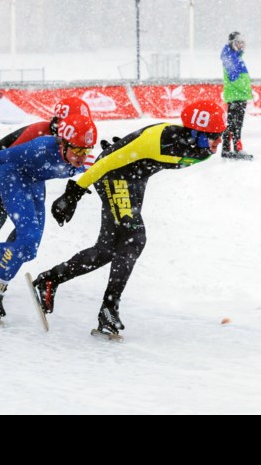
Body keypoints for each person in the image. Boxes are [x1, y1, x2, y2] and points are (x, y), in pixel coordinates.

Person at [32, 100, 225, 338]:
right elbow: (105, 163)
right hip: (114, 173)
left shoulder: (204, 151)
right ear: (195, 132)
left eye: (222, 135)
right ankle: (109, 309)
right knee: (134, 239)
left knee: (107, 250)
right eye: (214, 136)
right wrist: (74, 193)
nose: (219, 142)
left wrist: (129, 152)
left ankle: (50, 279)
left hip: (134, 179)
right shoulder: (158, 139)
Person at [0, 113, 97, 323]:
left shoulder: (84, 160)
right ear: (63, 143)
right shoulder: (41, 148)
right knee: (27, 238)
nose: (82, 155)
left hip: (34, 182)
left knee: (29, 250)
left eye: (87, 150)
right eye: (78, 149)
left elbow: (102, 168)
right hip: (12, 176)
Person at [220, 31, 253, 160]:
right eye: (238, 42)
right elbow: (234, 79)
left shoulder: (234, 56)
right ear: (232, 43)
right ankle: (233, 149)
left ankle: (229, 149)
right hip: (237, 96)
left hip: (238, 95)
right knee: (235, 124)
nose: (241, 45)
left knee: (234, 124)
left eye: (242, 42)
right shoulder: (230, 57)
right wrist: (246, 90)